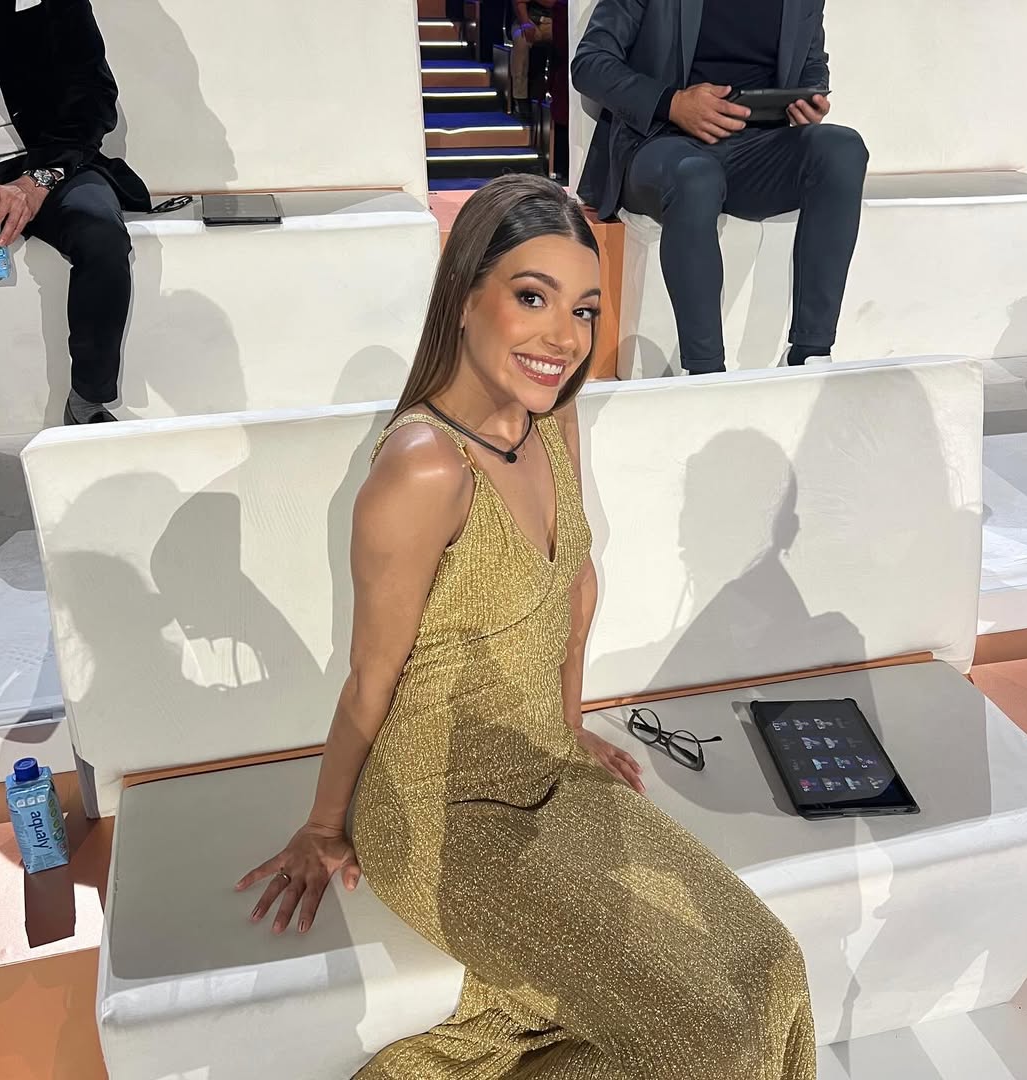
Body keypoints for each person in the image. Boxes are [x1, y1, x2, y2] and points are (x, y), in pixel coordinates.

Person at [237, 175, 816, 1079]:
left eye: (583, 310)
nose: (564, 338)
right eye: (533, 297)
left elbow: (574, 587)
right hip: (440, 810)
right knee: (709, 1039)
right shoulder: (424, 469)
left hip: (547, 767)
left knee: (774, 967)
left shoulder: (552, 415)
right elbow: (371, 678)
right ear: (465, 296)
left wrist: (568, 725)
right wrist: (322, 824)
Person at [572, 0, 868, 374]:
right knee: (696, 176)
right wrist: (673, 103)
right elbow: (590, 63)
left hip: (757, 150)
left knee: (843, 150)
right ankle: (703, 371)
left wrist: (810, 98)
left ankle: (809, 352)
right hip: (660, 141)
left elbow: (812, 64)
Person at [0, 0, 149, 427]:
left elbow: (94, 92)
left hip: (48, 161)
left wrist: (39, 179)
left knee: (101, 234)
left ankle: (88, 401)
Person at [510, 0, 556, 120]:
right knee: (521, 40)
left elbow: (552, 3)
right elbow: (519, 2)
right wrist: (525, 23)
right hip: (528, 20)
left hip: (554, 22)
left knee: (565, 37)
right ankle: (520, 99)